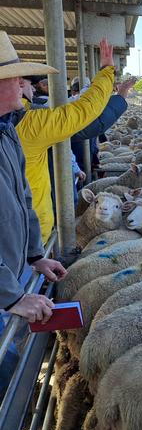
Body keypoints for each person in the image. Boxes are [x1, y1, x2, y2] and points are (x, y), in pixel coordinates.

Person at [15, 37, 117, 243]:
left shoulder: (21, 121)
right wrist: (107, 71)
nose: (32, 89)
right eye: (27, 82)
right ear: (15, 83)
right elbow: (84, 111)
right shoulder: (28, 124)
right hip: (25, 236)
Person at [0, 32, 68, 322]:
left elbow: (22, 196)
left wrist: (35, 256)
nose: (21, 83)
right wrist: (11, 296)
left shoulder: (8, 132)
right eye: (14, 77)